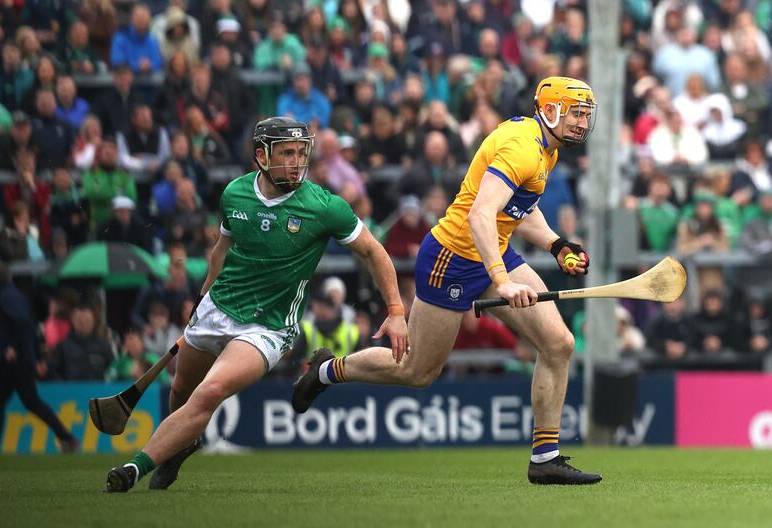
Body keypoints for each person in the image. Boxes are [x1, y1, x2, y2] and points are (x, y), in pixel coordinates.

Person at [292, 77, 602, 485]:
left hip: (493, 250)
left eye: (585, 115)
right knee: (417, 371)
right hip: (452, 258)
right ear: (550, 111)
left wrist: (556, 244)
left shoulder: (547, 149)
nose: (582, 122)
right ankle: (327, 371)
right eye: (575, 113)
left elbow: (519, 209)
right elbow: (479, 215)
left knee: (559, 344)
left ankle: (545, 458)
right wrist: (503, 282)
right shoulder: (522, 148)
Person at [105, 116, 407, 492]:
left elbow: (373, 252)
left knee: (210, 391)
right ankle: (183, 446)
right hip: (218, 307)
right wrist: (204, 297)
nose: (297, 162)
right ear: (261, 156)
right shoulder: (234, 194)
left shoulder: (325, 206)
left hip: (268, 326)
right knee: (181, 389)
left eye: (301, 152)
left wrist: (395, 312)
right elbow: (221, 249)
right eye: (287, 153)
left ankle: (135, 467)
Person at [0, 262, 79, 453]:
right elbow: (30, 325)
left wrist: (13, 346)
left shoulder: (7, 296)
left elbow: (23, 324)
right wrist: (35, 356)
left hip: (15, 362)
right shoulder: (13, 295)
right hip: (17, 360)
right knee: (3, 402)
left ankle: (66, 437)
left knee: (25, 402)